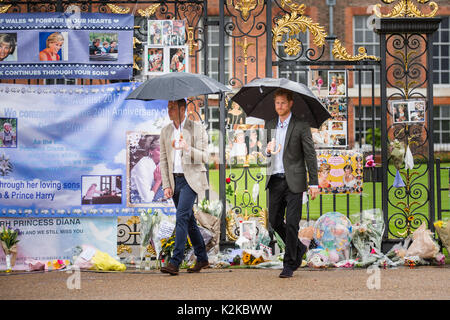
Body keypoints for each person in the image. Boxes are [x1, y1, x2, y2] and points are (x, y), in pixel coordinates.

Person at [264, 88, 319, 278]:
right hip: (275, 180)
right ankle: (298, 248)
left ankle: (288, 264)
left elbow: (310, 155)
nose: (279, 106)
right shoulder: (269, 123)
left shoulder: (300, 125)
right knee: (274, 220)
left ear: (290, 104)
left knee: (293, 222)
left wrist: (314, 183)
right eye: (277, 103)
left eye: (283, 103)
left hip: (294, 180)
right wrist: (267, 150)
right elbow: (267, 152)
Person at [159, 99, 210, 276]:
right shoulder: (165, 131)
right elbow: (163, 160)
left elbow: (205, 157)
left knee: (181, 216)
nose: (169, 111)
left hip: (191, 180)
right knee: (189, 222)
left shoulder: (197, 128)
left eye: (172, 107)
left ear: (183, 109)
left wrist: (187, 148)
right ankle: (202, 258)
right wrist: (166, 184)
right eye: (168, 107)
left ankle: (175, 262)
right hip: (175, 181)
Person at [130, 135, 163, 203]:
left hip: (153, 195)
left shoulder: (159, 164)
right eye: (160, 150)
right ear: (151, 151)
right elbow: (147, 199)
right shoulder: (142, 165)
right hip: (139, 200)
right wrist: (158, 181)